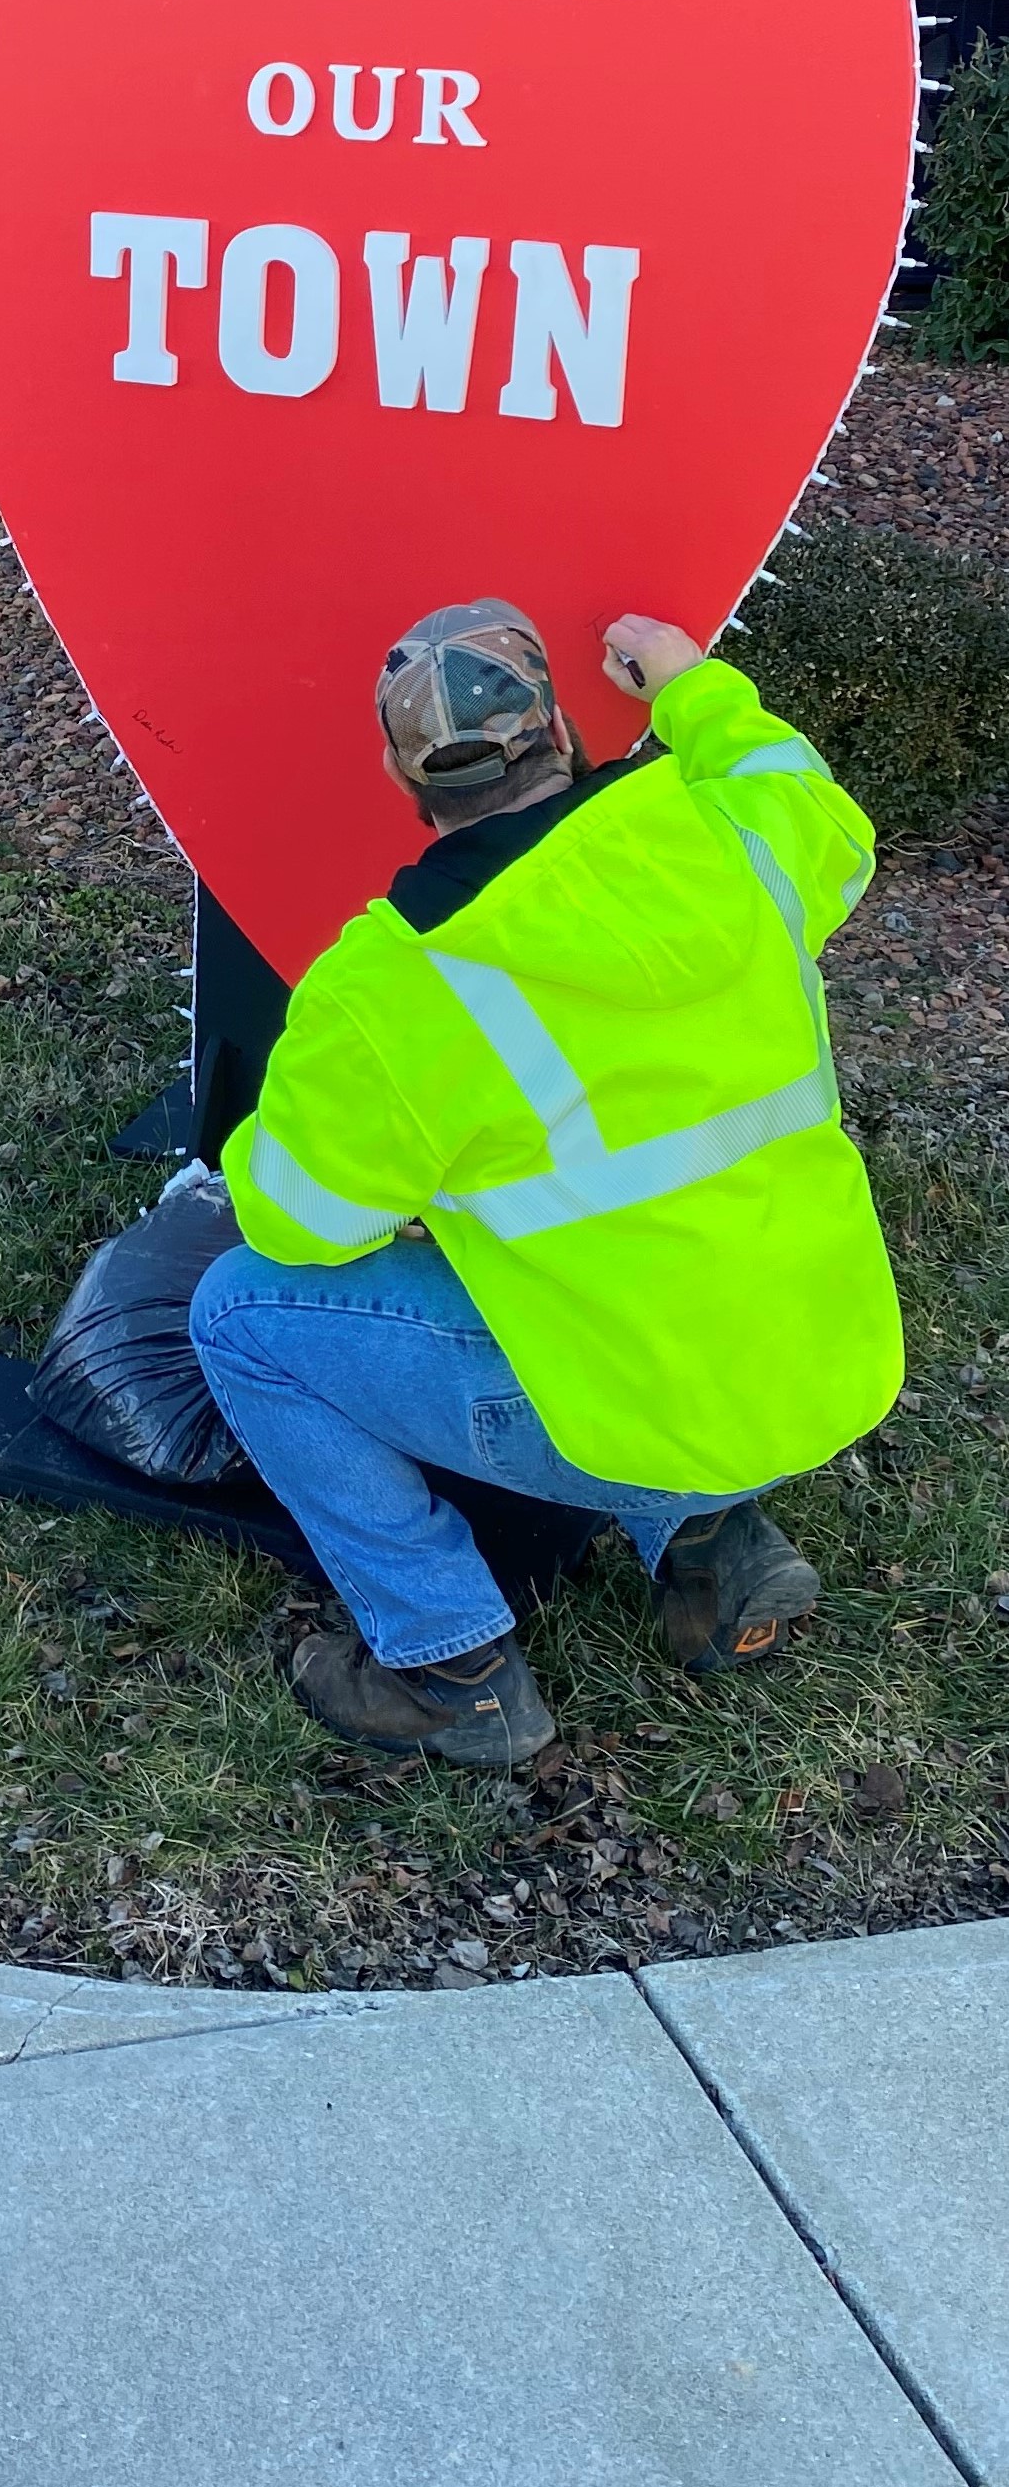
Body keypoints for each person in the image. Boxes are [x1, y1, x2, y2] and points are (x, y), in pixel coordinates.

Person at [189, 597, 901, 1770]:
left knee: (239, 1313)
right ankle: (714, 1548)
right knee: (632, 1265)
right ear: (562, 727)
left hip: (619, 1414)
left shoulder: (394, 981)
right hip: (818, 1352)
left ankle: (447, 1667)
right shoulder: (735, 833)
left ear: (395, 771)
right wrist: (688, 683)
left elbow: (294, 1220)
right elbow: (804, 788)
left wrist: (338, 1144)